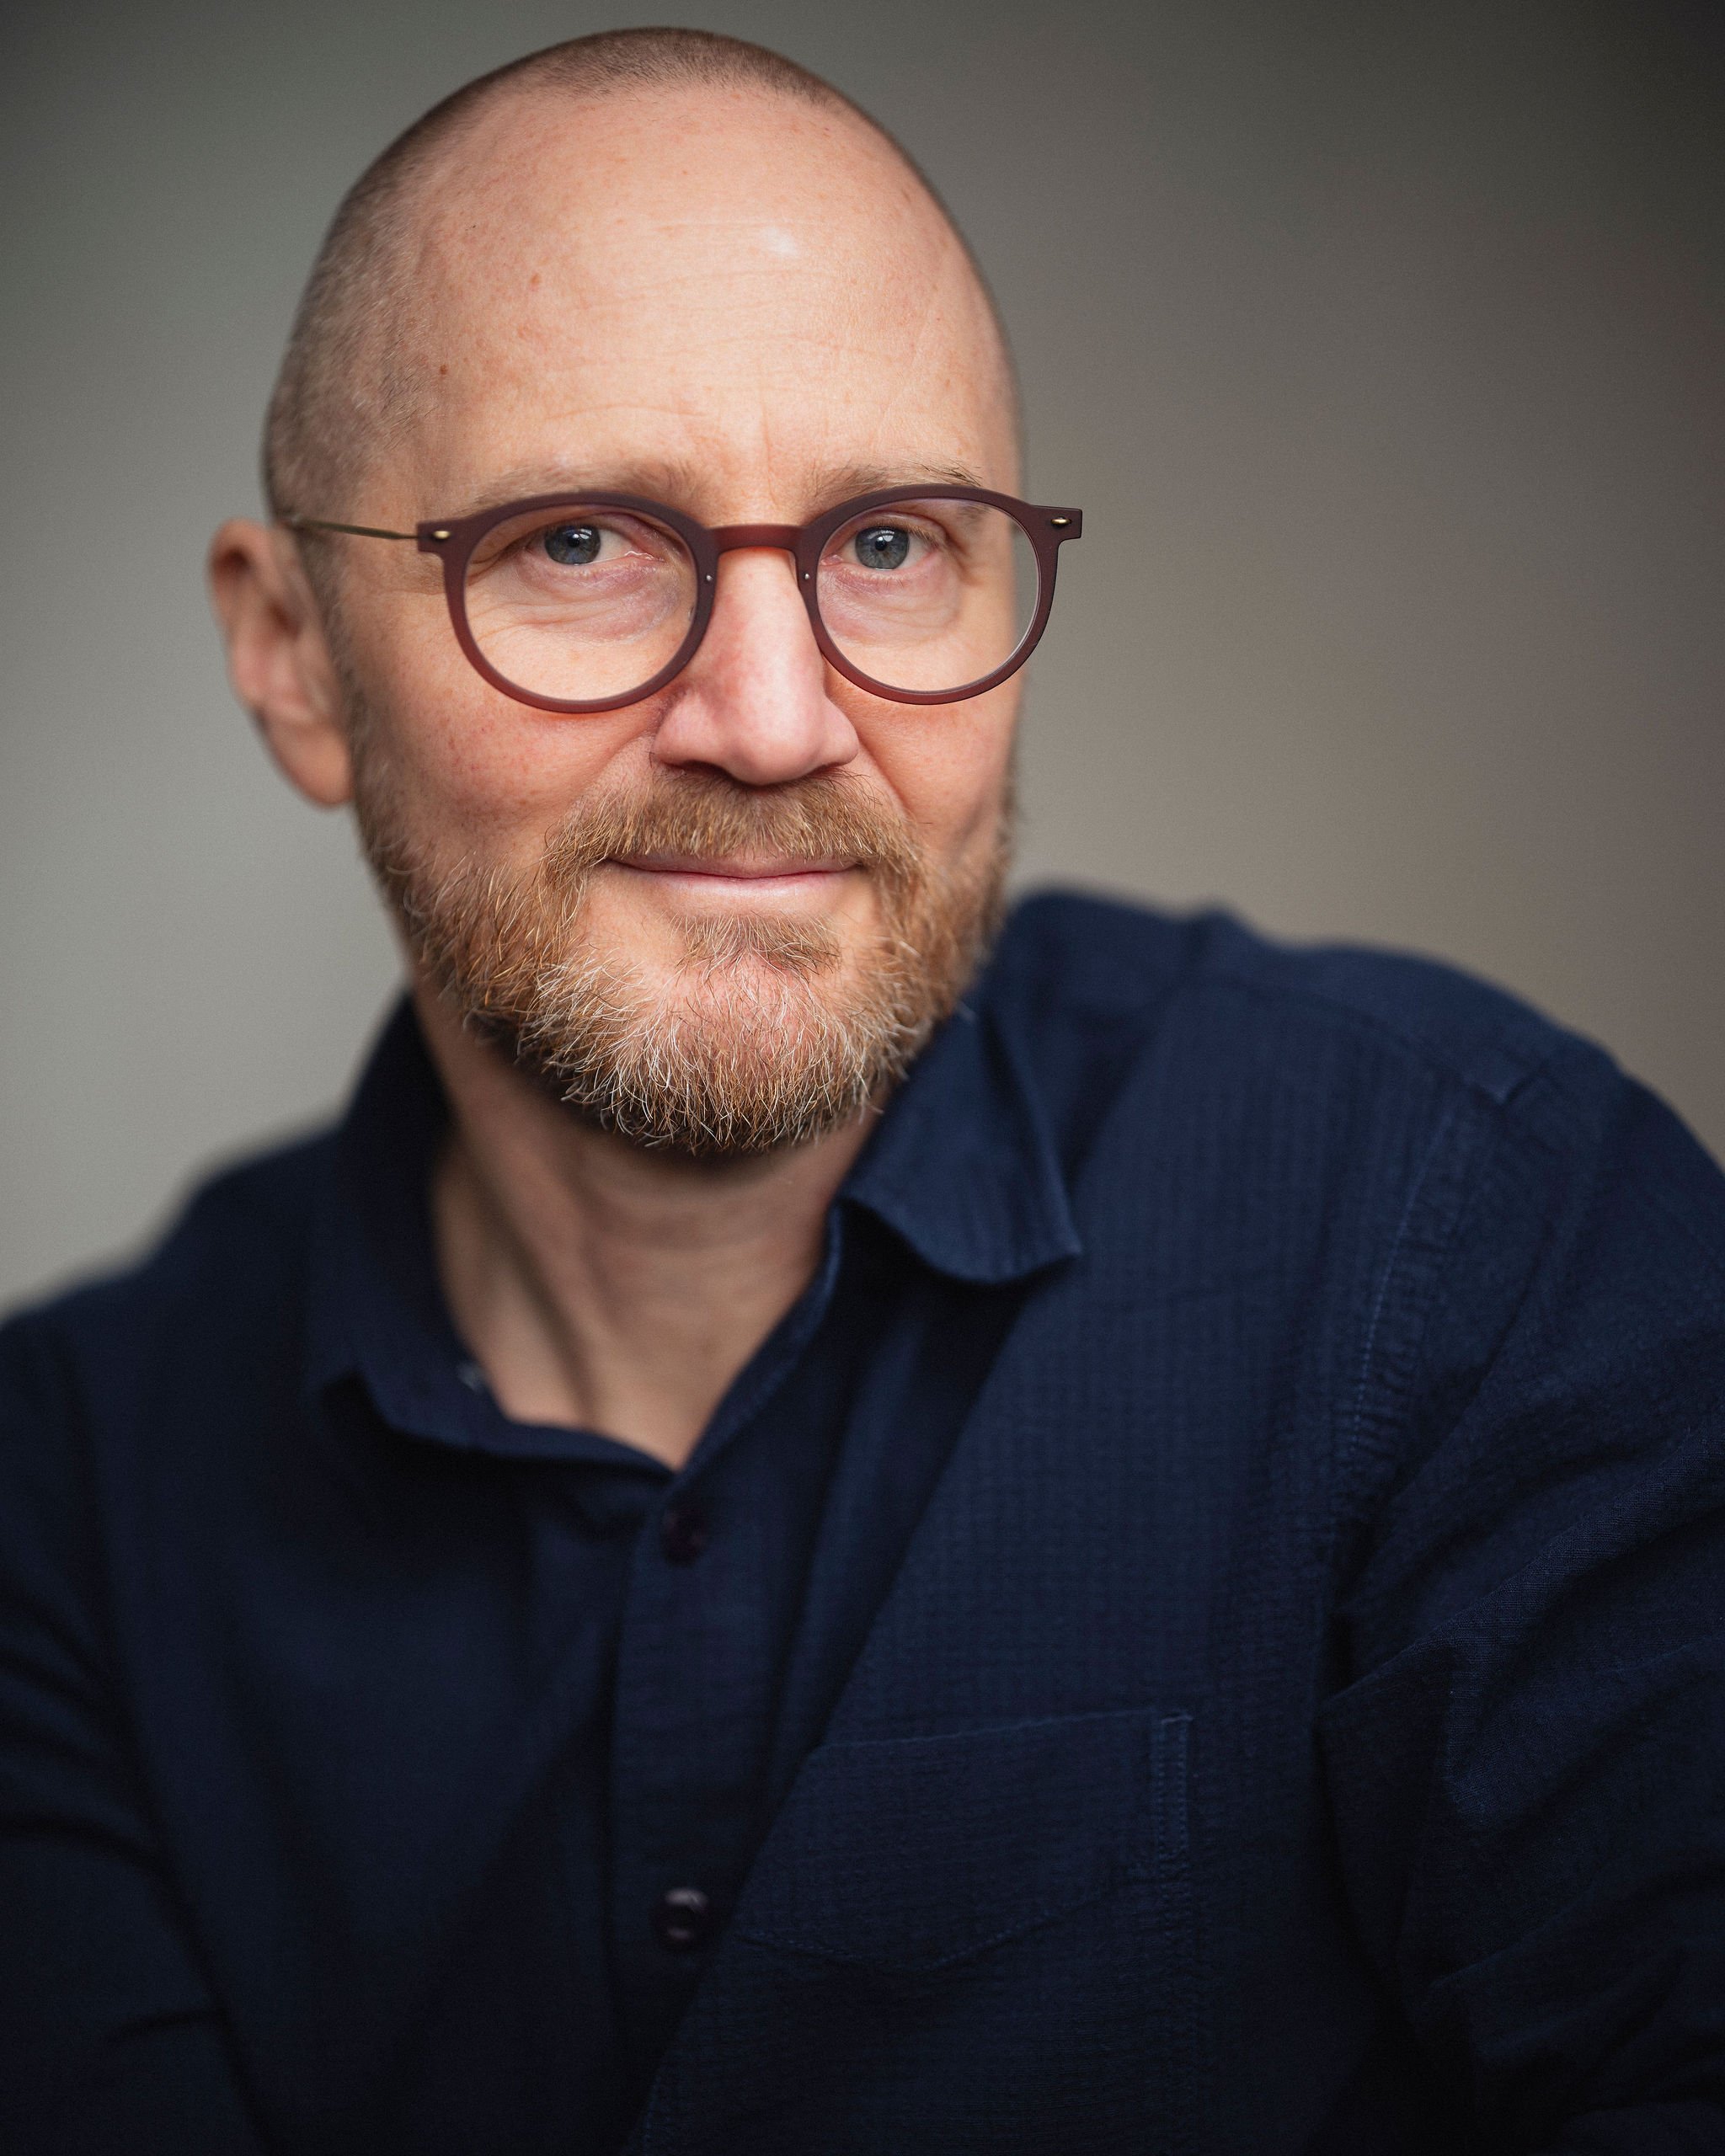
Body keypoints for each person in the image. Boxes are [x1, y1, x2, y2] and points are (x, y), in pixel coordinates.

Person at [1, 25, 1721, 2154]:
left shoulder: (1480, 1249)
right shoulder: (57, 1503)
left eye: (893, 543)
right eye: (580, 541)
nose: (773, 713)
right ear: (292, 655)